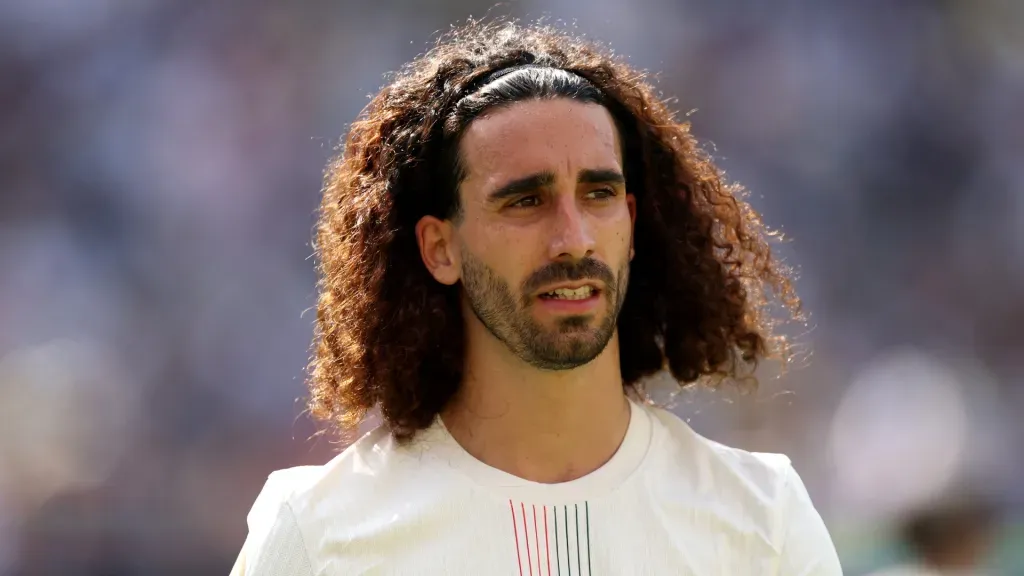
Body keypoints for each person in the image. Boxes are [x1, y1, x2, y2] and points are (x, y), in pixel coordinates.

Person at [231, 19, 842, 575]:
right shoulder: (318, 536)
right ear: (440, 249)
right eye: (526, 201)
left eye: (598, 195)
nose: (573, 238)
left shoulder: (764, 523)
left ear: (630, 225)